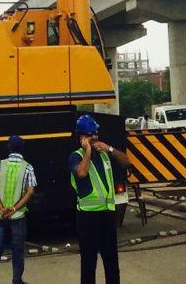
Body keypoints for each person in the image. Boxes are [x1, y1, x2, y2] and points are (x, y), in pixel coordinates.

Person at [69, 115, 128, 284]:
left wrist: (109, 149)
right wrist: (87, 150)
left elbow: (126, 162)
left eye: (96, 133)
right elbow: (82, 172)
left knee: (112, 263)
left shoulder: (104, 155)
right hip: (87, 218)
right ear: (81, 137)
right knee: (89, 264)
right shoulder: (75, 156)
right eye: (90, 135)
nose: (95, 137)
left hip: (107, 216)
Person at [0, 135, 35, 284]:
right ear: (22, 148)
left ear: (9, 147)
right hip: (18, 216)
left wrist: (1, 209)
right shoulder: (28, 167)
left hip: (0, 217)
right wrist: (13, 209)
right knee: (18, 250)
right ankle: (16, 280)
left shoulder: (0, 165)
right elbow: (30, 191)